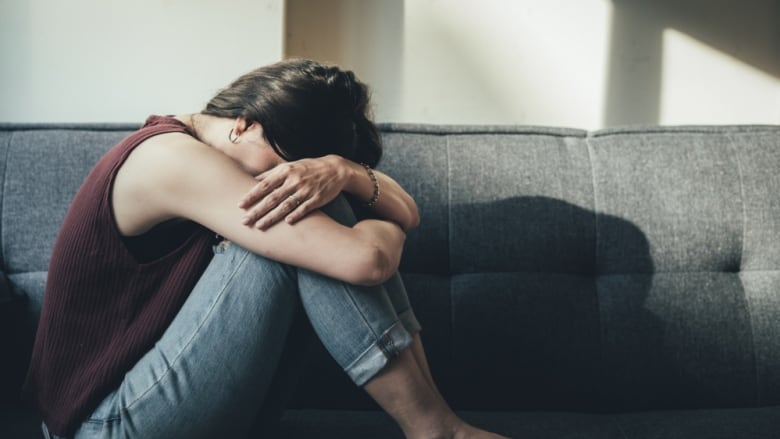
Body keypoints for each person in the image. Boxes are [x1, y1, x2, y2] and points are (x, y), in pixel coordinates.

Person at [23, 58, 507, 439]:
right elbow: (368, 258)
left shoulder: (218, 148)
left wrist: (345, 172)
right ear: (245, 124)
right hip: (104, 425)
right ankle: (434, 429)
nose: (282, 179)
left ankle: (436, 427)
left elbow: (406, 214)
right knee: (291, 219)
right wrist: (376, 229)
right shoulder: (168, 159)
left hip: (179, 402)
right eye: (282, 163)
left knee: (312, 209)